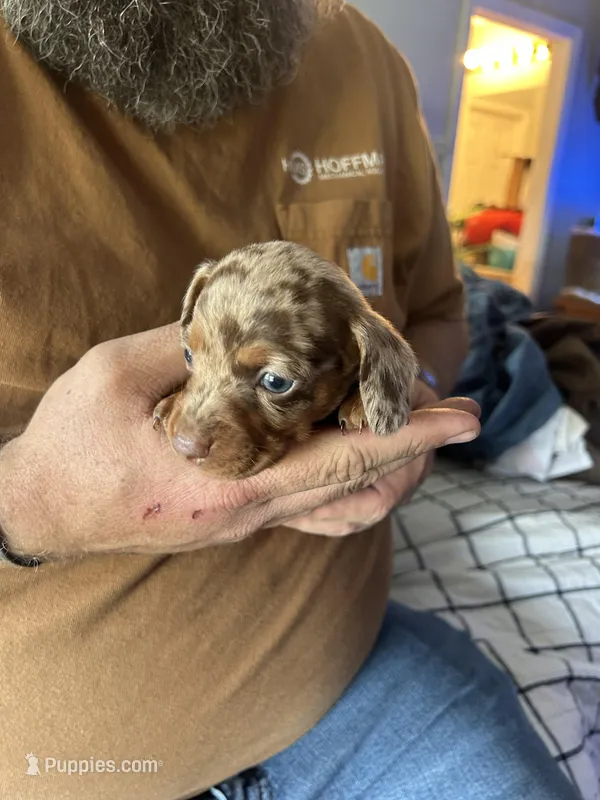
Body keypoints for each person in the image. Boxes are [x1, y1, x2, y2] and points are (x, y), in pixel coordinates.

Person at [0, 2, 579, 799]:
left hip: (356, 680)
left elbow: (442, 312)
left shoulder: (363, 55)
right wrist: (28, 503)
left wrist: (410, 410)